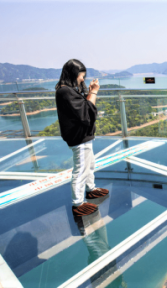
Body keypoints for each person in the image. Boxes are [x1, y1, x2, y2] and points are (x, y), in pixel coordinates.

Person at [55, 59, 109, 217]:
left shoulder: (67, 91)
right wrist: (93, 92)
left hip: (83, 136)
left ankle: (91, 189)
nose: (82, 79)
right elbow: (86, 113)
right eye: (81, 76)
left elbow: (84, 108)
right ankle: (78, 203)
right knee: (81, 169)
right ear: (73, 74)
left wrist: (90, 92)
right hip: (79, 137)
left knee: (89, 164)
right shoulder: (65, 91)